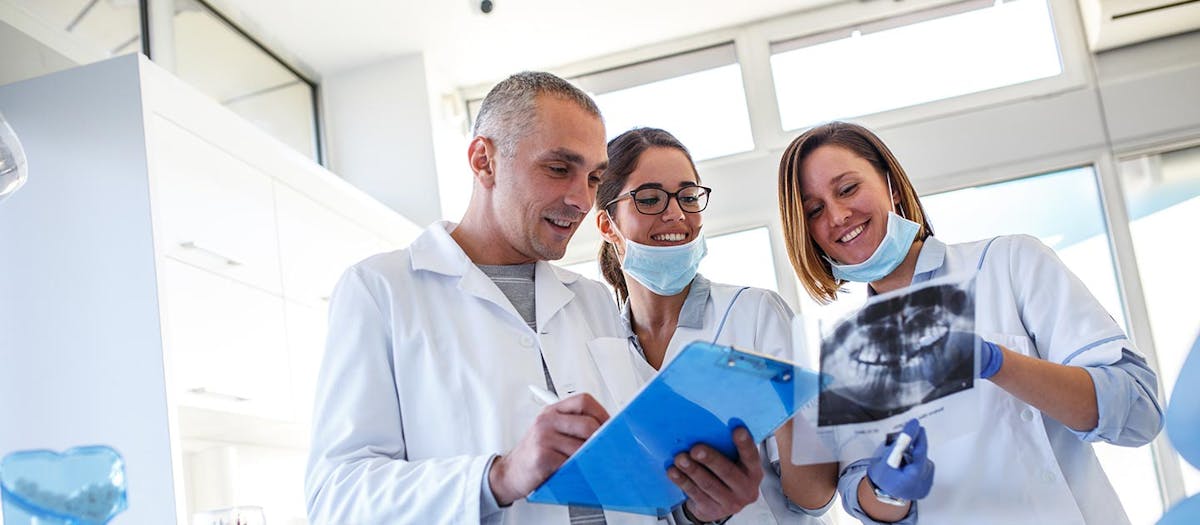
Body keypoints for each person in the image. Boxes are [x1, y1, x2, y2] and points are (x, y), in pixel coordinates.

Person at [305, 72, 762, 524]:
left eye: (593, 178)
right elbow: (335, 498)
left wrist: (700, 510)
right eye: (559, 169)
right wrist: (499, 476)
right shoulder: (381, 291)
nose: (581, 200)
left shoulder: (594, 302)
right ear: (484, 161)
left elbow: (640, 486)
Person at [775, 121, 1164, 524]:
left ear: (890, 185)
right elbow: (859, 496)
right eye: (815, 210)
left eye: (848, 189)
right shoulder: (843, 349)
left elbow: (1139, 414)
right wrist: (886, 490)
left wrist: (998, 363)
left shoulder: (1009, 264)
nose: (838, 215)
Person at [594, 127, 839, 524]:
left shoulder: (754, 313)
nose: (676, 214)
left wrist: (784, 406)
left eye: (688, 197)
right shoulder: (602, 348)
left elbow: (815, 498)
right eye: (651, 198)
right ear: (608, 226)